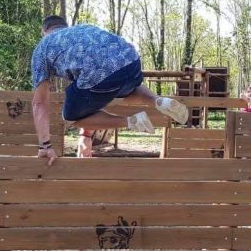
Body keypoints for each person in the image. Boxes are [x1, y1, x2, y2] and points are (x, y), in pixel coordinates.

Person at [31, 15, 189, 165]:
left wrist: (45, 146)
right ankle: (158, 100)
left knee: (70, 116)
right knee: (126, 88)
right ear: (65, 26)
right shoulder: (83, 28)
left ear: (44, 32)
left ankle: (131, 121)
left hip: (98, 75)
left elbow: (40, 103)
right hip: (130, 59)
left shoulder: (43, 47)